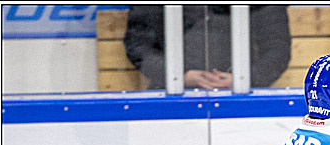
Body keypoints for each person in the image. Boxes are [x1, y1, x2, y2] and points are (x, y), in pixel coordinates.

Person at [124, 5, 291, 90]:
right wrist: (178, 76)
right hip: (173, 97)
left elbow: (277, 48)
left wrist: (244, 79)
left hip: (239, 98)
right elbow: (139, 46)